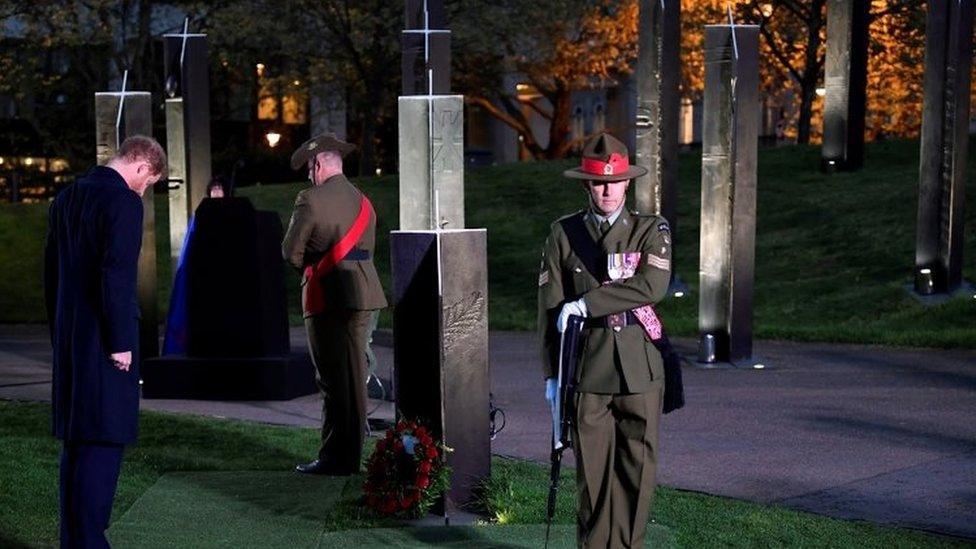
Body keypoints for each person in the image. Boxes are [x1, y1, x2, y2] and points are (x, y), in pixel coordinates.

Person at [537, 133, 671, 548]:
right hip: (587, 372)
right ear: (586, 185)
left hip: (638, 372)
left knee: (636, 476)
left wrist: (587, 304)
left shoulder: (651, 229)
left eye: (615, 182)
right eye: (598, 183)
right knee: (592, 482)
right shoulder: (563, 233)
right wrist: (553, 377)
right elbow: (549, 308)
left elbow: (652, 286)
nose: (607, 190)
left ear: (627, 182)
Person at [44, 135, 166, 548]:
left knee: (77, 445)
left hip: (71, 341)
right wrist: (120, 342)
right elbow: (115, 274)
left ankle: (73, 541)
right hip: (104, 341)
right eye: (148, 182)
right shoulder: (123, 203)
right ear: (141, 165)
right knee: (104, 440)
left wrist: (59, 333)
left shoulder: (66, 199)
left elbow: (52, 276)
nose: (144, 190)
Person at [282, 133, 387, 475]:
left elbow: (291, 252)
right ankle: (352, 454)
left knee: (331, 379)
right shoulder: (363, 201)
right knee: (356, 377)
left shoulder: (309, 200)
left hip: (328, 296)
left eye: (309, 168)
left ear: (317, 163)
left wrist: (313, 268)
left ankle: (334, 458)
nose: (308, 176)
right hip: (365, 294)